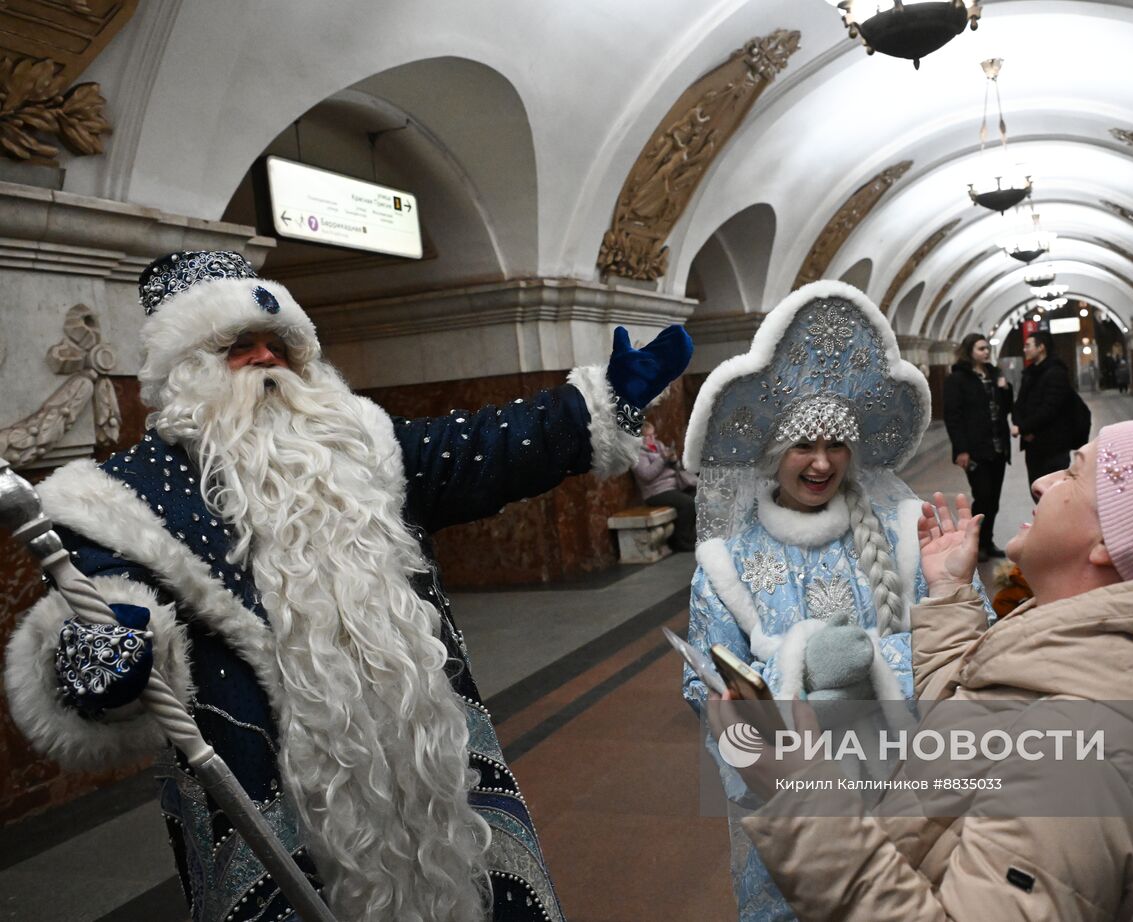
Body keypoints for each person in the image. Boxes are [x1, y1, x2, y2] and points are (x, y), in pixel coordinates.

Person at [4, 251, 692, 922]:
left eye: (280, 345)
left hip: (435, 770)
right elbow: (94, 609)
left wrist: (591, 406)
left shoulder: (363, 445)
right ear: (186, 370)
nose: (268, 360)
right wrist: (102, 647)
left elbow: (486, 444)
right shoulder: (117, 499)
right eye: (240, 346)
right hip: (268, 788)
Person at [732, 420, 1133, 920]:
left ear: (1106, 543)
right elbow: (985, 721)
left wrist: (802, 798)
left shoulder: (1078, 764)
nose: (1043, 482)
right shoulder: (1109, 648)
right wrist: (952, 595)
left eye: (1073, 475)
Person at [681, 281, 991, 921]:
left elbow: (976, 646)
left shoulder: (909, 532)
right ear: (773, 453)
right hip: (798, 786)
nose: (822, 463)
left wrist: (870, 667)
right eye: (804, 445)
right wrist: (799, 677)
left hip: (914, 784)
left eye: (836, 445)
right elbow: (702, 685)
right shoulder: (726, 563)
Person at [942, 332, 1013, 561]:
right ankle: (973, 543)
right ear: (969, 350)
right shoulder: (957, 379)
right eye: (981, 348)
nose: (985, 352)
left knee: (994, 500)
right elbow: (953, 417)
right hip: (975, 449)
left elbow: (1007, 408)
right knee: (982, 497)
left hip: (998, 447)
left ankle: (987, 541)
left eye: (986, 349)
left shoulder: (994, 375)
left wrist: (1004, 389)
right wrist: (961, 449)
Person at [1012, 329, 1077, 492]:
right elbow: (1019, 405)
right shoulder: (1029, 374)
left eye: (1028, 345)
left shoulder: (1056, 373)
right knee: (1037, 490)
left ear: (1041, 348)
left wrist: (1024, 428)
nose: (1024, 349)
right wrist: (1022, 427)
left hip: (1053, 445)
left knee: (1055, 494)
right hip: (1032, 445)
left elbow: (1050, 409)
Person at [632, 419, 697, 551]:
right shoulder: (637, 454)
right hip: (656, 492)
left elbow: (676, 467)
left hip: (673, 486)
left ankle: (690, 535)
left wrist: (673, 460)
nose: (652, 438)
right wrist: (662, 458)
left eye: (653, 434)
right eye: (648, 436)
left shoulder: (659, 445)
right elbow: (646, 475)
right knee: (687, 503)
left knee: (697, 496)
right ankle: (679, 540)